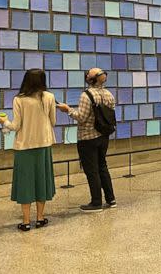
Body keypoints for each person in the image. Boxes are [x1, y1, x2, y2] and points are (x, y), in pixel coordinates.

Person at [0, 69, 56, 231]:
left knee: (25, 182)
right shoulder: (50, 97)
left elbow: (15, 126)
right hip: (44, 145)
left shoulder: (19, 100)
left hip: (24, 146)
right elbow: (53, 121)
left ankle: (25, 221)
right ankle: (40, 218)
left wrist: (4, 121)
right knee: (41, 181)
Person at [57, 68, 116, 212]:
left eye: (89, 73)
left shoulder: (86, 95)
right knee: (102, 166)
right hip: (103, 136)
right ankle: (111, 199)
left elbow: (82, 118)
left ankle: (96, 202)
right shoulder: (109, 94)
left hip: (87, 138)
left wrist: (68, 110)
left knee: (92, 170)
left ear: (91, 79)